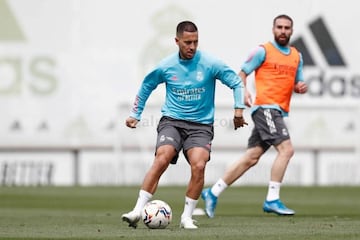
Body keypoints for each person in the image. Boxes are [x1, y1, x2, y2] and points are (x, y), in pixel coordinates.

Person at [121, 20, 248, 229]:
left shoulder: (210, 63)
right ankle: (137, 211)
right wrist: (136, 113)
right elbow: (147, 85)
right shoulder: (166, 66)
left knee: (199, 165)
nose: (192, 47)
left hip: (201, 126)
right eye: (187, 42)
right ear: (177, 41)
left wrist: (238, 110)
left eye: (195, 42)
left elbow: (235, 82)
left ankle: (186, 217)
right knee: (163, 157)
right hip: (172, 121)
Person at [201, 14, 308, 218]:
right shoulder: (262, 51)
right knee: (286, 149)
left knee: (251, 157)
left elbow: (297, 83)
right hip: (266, 108)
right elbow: (241, 74)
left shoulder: (297, 56)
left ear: (292, 31)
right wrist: (245, 92)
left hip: (277, 111)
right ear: (273, 29)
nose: (283, 31)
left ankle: (212, 192)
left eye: (287, 28)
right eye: (279, 27)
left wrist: (300, 87)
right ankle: (272, 199)